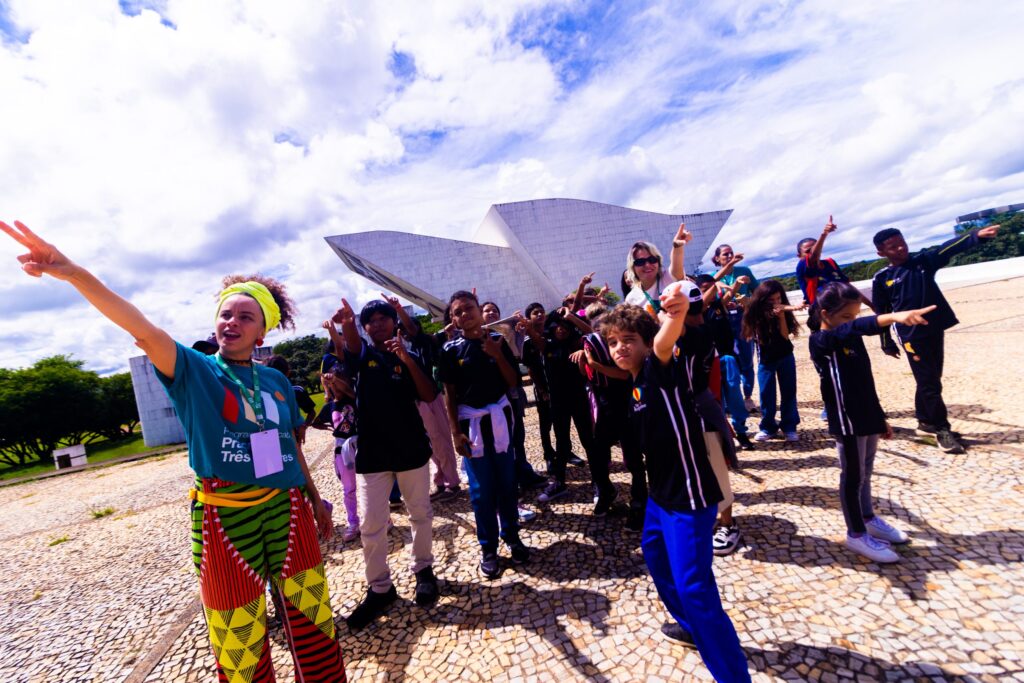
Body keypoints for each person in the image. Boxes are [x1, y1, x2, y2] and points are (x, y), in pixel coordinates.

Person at [0, 221, 348, 681]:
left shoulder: (278, 382)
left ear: (262, 333)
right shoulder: (195, 371)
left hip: (289, 512)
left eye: (246, 317)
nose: (233, 322)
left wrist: (313, 499)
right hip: (225, 518)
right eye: (227, 314)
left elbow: (290, 448)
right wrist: (74, 273)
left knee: (315, 624)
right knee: (237, 642)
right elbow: (141, 328)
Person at [601, 294, 751, 682]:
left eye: (629, 339)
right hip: (660, 497)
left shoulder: (657, 368)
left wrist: (678, 312)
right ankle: (689, 625)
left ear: (646, 341)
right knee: (655, 556)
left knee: (695, 589)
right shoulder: (634, 384)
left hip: (688, 496)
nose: (620, 347)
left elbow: (665, 341)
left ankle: (733, 676)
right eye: (614, 341)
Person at [808, 282, 936, 563]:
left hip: (867, 415)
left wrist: (880, 417)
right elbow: (853, 329)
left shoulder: (850, 337)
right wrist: (892, 316)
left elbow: (866, 378)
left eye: (854, 315)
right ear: (825, 313)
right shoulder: (821, 341)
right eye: (845, 316)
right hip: (847, 419)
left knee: (866, 471)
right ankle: (855, 534)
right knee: (851, 476)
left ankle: (867, 518)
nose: (851, 322)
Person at [332, 298, 439, 629]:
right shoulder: (363, 356)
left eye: (383, 318)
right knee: (372, 524)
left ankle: (423, 569)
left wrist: (406, 359)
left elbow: (429, 394)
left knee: (419, 514)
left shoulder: (410, 354)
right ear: (365, 328)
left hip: (411, 449)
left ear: (394, 322)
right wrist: (347, 324)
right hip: (374, 455)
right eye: (370, 321)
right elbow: (351, 347)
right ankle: (380, 587)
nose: (377, 324)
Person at [872, 224, 1001, 453]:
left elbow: (945, 250)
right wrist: (886, 342)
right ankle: (942, 428)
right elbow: (881, 313)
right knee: (929, 383)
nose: (901, 248)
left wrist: (975, 236)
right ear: (881, 253)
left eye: (902, 242)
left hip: (934, 329)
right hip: (911, 336)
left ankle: (926, 421)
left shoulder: (922, 262)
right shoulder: (883, 278)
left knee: (932, 379)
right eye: (893, 246)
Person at [438, 290, 531, 579]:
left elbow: (513, 381)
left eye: (469, 308)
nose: (465, 314)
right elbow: (449, 394)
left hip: (499, 419)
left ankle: (512, 535)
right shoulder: (450, 350)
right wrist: (455, 432)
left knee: (507, 482)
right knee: (481, 490)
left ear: (479, 310)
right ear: (453, 319)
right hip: (471, 424)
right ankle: (488, 547)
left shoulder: (498, 341)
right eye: (458, 312)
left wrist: (496, 356)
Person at [379, 292, 462, 497]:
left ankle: (452, 483)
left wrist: (399, 310)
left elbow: (418, 330)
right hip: (413, 403)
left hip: (430, 399)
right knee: (430, 445)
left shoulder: (422, 343)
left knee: (441, 441)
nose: (404, 333)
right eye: (401, 330)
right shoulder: (393, 348)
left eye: (407, 330)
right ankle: (441, 480)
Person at [742, 280, 802, 442]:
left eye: (778, 298)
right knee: (766, 394)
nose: (776, 302)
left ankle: (789, 426)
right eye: (771, 300)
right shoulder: (755, 313)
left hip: (785, 355)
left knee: (789, 392)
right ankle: (768, 427)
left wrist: (781, 316)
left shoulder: (783, 310)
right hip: (766, 360)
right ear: (763, 299)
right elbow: (755, 337)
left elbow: (784, 337)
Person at [710, 244, 758, 412]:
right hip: (722, 322)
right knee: (729, 361)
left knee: (746, 360)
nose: (729, 256)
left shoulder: (744, 270)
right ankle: (732, 398)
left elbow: (758, 292)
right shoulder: (713, 277)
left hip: (743, 319)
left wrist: (748, 302)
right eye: (725, 254)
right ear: (717, 258)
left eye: (731, 253)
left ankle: (748, 397)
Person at [519, 302, 557, 465]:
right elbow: (530, 369)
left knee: (561, 421)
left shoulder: (552, 334)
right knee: (545, 423)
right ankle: (548, 453)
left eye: (542, 311)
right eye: (536, 313)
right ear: (529, 318)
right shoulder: (527, 342)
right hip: (542, 388)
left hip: (557, 385)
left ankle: (566, 451)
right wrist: (542, 390)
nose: (540, 315)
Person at [623, 223, 690, 314]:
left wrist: (677, 247)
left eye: (652, 259)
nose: (647, 265)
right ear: (633, 267)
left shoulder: (667, 278)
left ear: (658, 262)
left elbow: (676, 262)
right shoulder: (631, 299)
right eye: (640, 262)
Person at [795, 215, 855, 305]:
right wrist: (824, 234)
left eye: (816, 248)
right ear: (799, 256)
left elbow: (848, 286)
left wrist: (870, 304)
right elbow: (813, 256)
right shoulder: (803, 267)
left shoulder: (830, 263)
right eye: (808, 251)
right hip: (821, 313)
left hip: (843, 309)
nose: (812, 252)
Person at [264, 354, 316, 445]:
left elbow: (311, 412)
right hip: (276, 437)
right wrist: (303, 426)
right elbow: (311, 412)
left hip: (286, 437)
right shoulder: (296, 391)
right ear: (288, 372)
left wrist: (303, 426)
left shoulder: (296, 391)